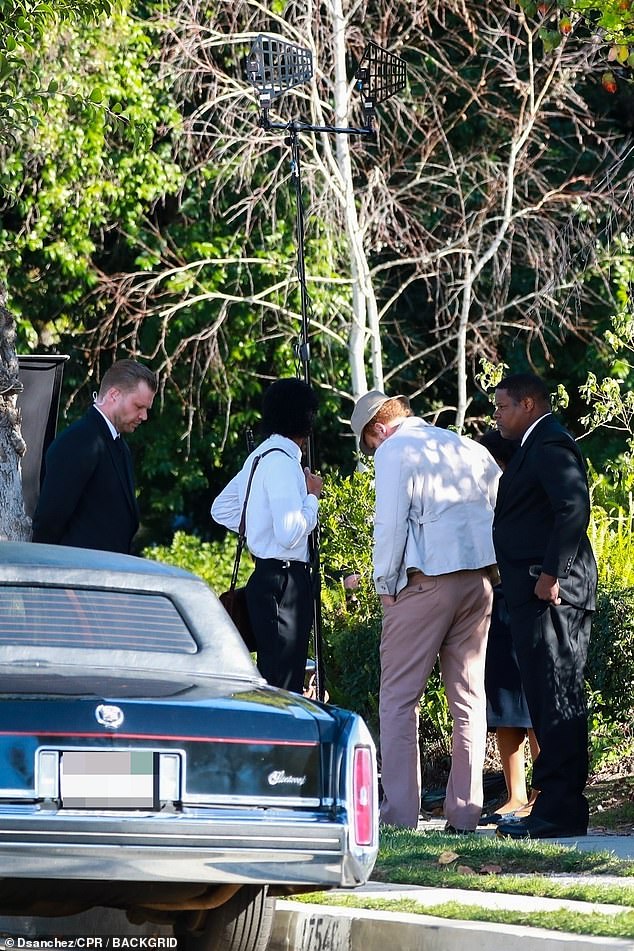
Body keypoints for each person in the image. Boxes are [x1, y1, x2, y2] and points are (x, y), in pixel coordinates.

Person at [350, 390, 500, 832]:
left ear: (377, 430)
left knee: (398, 698)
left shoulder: (396, 450)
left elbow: (390, 523)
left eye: (369, 445)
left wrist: (384, 584)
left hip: (424, 580)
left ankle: (399, 815)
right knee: (469, 699)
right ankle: (466, 813)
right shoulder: (468, 446)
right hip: (479, 579)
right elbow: (498, 503)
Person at [492, 373, 597, 839]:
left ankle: (559, 810)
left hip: (552, 591)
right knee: (545, 699)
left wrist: (552, 575)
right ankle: (553, 806)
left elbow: (573, 505)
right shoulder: (533, 445)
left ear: (529, 404)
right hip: (535, 591)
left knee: (557, 698)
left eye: (503, 406)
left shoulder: (550, 443)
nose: (497, 415)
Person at [211, 378, 323, 693]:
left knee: (271, 675)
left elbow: (222, 509)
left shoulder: (258, 457)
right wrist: (312, 497)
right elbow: (289, 534)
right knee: (284, 683)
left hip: (264, 577)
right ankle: (281, 742)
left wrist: (260, 528)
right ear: (306, 420)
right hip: (286, 584)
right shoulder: (285, 464)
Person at [477, 429, 540, 825]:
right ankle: (515, 791)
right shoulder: (482, 496)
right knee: (503, 701)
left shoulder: (523, 488)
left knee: (533, 699)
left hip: (525, 594)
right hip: (494, 597)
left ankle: (542, 790)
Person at [32, 359, 157, 554]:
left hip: (103, 573)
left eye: (146, 409)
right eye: (138, 406)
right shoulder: (80, 440)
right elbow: (50, 518)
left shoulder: (119, 445)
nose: (144, 416)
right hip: (75, 574)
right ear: (114, 394)